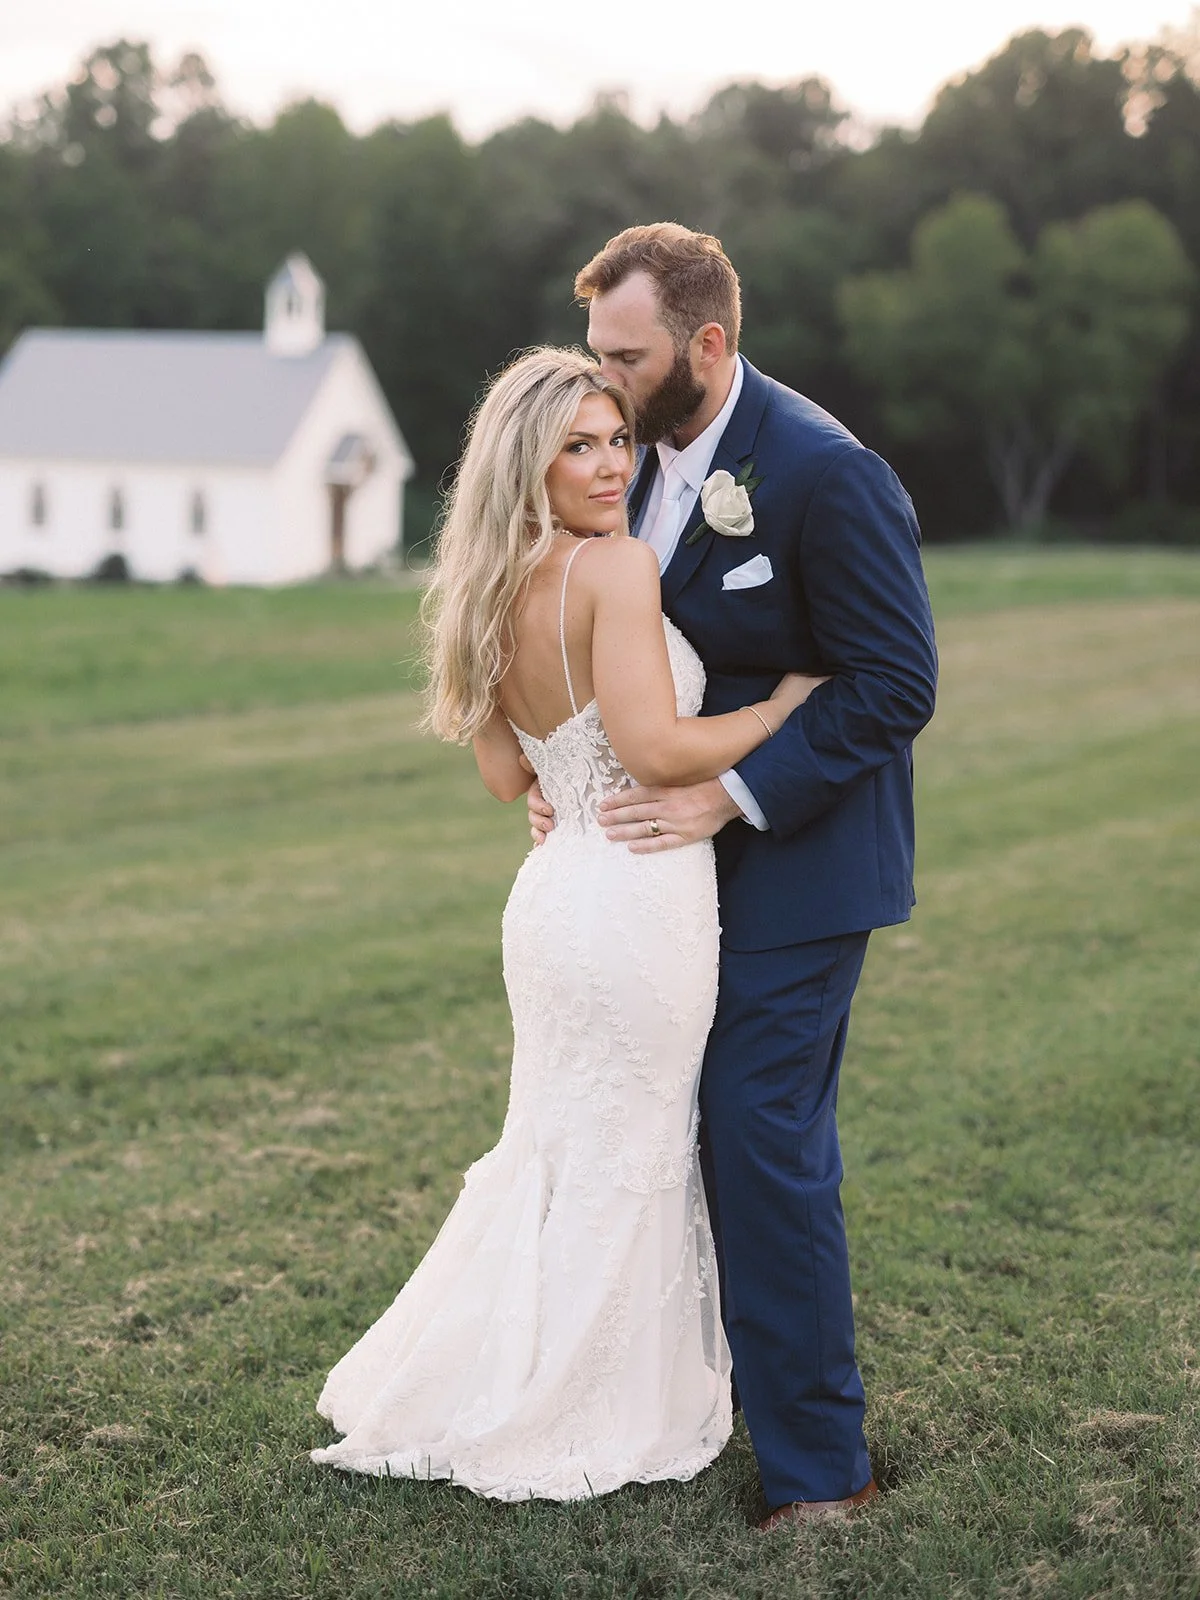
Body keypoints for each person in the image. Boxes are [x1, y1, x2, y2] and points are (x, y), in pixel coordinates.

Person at [310, 347, 825, 1501]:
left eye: (614, 440)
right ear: (528, 462)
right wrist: (778, 709)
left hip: (554, 898)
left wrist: (565, 772)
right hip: (639, 893)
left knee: (558, 1144)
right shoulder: (616, 566)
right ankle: (583, 1401)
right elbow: (655, 751)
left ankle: (498, 1374)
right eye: (578, 446)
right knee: (627, 1145)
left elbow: (509, 775)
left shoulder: (486, 584)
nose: (608, 465)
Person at [528, 224, 938, 1527]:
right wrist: (562, 767)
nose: (603, 382)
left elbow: (896, 685)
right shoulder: (624, 467)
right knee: (667, 1133)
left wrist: (733, 789)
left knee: (759, 1143)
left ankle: (824, 1476)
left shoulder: (827, 473)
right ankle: (683, 1402)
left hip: (802, 869)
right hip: (664, 886)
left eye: (628, 357)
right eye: (596, 353)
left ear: (709, 344)